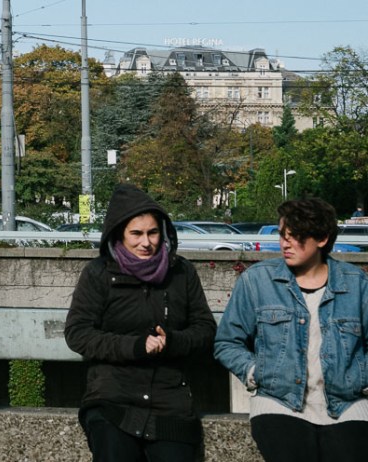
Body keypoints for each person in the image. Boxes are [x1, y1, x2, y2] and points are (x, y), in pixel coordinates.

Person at [64, 184, 216, 462]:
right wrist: (135, 346)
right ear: (119, 234)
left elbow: (205, 330)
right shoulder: (98, 273)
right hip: (113, 398)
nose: (146, 242)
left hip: (170, 402)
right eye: (136, 233)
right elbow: (78, 333)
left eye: (153, 232)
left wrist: (172, 342)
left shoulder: (181, 272)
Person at [215, 197, 368, 462]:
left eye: (295, 236)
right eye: (282, 234)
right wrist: (255, 371)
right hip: (279, 402)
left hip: (347, 404)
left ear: (322, 239)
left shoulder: (355, 283)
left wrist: (361, 376)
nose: (285, 243)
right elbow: (227, 342)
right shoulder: (258, 280)